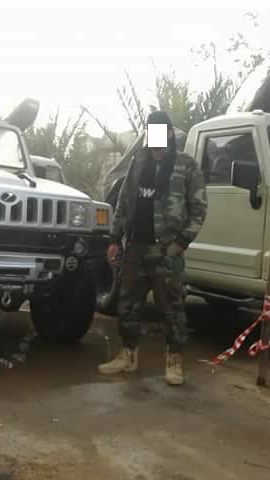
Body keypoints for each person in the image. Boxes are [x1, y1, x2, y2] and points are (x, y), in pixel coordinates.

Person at [98, 111, 208, 385]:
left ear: (169, 133)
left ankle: (174, 362)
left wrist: (182, 242)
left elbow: (199, 208)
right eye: (151, 131)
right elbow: (124, 202)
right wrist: (114, 239)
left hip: (165, 249)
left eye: (160, 130)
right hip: (135, 247)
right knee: (127, 305)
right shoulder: (138, 162)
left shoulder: (186, 165)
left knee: (172, 308)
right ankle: (128, 356)